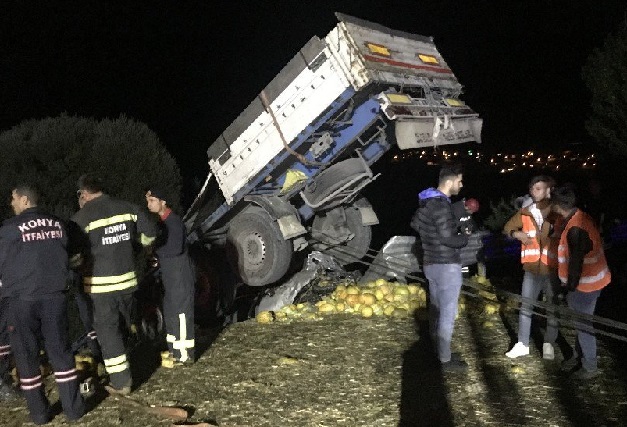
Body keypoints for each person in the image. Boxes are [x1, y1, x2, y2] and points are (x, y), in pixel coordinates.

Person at [0, 184, 84, 424]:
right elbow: (69, 254)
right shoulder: (58, 224)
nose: (11, 203)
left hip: (22, 300)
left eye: (14, 199)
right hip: (54, 298)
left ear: (25, 200)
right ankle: (74, 409)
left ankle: (39, 413)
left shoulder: (9, 229)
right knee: (61, 352)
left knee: (27, 357)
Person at [70, 174, 156, 394]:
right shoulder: (127, 207)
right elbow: (150, 233)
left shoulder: (80, 219)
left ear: (84, 194)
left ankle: (121, 382)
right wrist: (138, 248)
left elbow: (74, 256)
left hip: (100, 288)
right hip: (128, 281)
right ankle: (148, 354)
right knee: (130, 322)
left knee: (108, 332)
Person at [411, 164, 469, 371]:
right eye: (460, 181)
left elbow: (416, 225)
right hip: (446, 266)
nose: (461, 185)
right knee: (447, 313)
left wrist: (432, 238)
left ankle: (436, 350)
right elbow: (448, 238)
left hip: (430, 263)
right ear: (450, 181)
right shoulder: (442, 206)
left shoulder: (426, 202)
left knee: (435, 309)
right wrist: (465, 237)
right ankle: (445, 359)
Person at [551, 185, 611, 379]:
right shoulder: (580, 217)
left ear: (558, 205)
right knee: (581, 323)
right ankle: (580, 357)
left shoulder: (575, 229)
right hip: (595, 280)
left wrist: (567, 289)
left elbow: (575, 263)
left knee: (584, 326)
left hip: (585, 285)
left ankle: (590, 366)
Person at [503, 175, 559, 360]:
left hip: (551, 269)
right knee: (526, 307)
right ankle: (523, 344)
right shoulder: (526, 212)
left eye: (539, 188)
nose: (534, 192)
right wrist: (516, 233)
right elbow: (508, 228)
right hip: (531, 269)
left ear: (548, 190)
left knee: (552, 309)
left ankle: (548, 344)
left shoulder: (557, 212)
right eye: (533, 189)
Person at [145, 188, 195, 366]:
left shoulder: (173, 222)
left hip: (179, 276)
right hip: (170, 277)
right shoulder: (162, 223)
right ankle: (175, 351)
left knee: (181, 313)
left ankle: (185, 354)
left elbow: (175, 249)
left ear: (163, 202)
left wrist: (155, 250)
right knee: (171, 312)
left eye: (152, 200)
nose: (148, 204)